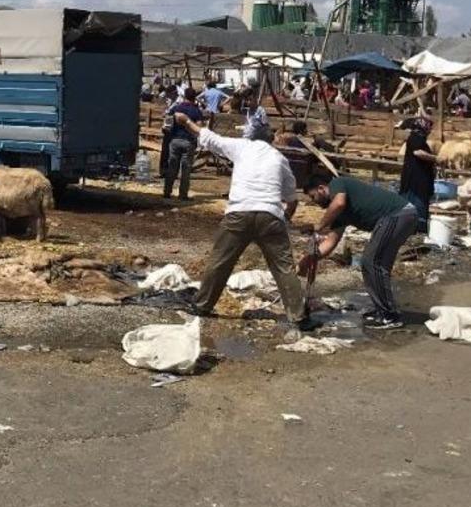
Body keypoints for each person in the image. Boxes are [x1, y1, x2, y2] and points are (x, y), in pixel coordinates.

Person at [172, 111, 313, 330]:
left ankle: (202, 306)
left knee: (220, 262)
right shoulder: (279, 158)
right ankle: (299, 317)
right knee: (284, 269)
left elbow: (209, 137)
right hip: (270, 214)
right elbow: (292, 199)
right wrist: (284, 219)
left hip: (239, 212)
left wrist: (186, 121)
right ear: (269, 137)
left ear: (250, 134)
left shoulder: (241, 147)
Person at [300, 172, 418, 329]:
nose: (314, 202)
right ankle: (384, 311)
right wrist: (308, 260)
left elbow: (339, 203)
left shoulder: (338, 183)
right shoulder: (340, 214)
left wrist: (318, 226)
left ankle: (389, 316)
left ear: (321, 188)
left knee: (371, 262)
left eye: (313, 197)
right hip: (400, 217)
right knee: (378, 265)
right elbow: (330, 242)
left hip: (398, 214)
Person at [398, 115, 438, 233]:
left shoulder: (420, 138)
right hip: (415, 179)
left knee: (417, 202)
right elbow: (418, 152)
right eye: (429, 127)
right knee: (415, 202)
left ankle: (414, 226)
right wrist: (436, 158)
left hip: (420, 178)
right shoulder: (416, 137)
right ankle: (414, 227)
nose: (430, 130)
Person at [163, 88, 203, 200]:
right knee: (186, 170)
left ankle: (167, 192)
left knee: (172, 167)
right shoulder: (196, 111)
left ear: (184, 95)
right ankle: (182, 195)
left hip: (175, 140)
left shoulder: (177, 108)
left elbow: (167, 123)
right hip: (188, 142)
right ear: (194, 97)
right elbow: (198, 128)